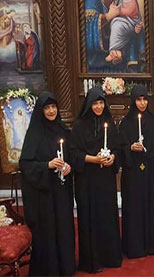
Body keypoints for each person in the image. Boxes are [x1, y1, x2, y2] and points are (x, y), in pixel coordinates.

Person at [19, 92, 75, 276]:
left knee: (64, 228)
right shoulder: (35, 133)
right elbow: (26, 165)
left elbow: (71, 156)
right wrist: (47, 165)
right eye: (47, 108)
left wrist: (68, 167)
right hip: (44, 195)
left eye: (53, 107)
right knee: (48, 232)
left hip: (61, 191)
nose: (51, 111)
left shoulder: (63, 131)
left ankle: (65, 268)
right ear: (41, 111)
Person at [70, 87, 121, 273]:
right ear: (89, 105)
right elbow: (73, 154)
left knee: (107, 216)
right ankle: (92, 260)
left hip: (105, 180)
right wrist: (94, 159)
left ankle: (110, 256)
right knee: (89, 218)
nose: (99, 106)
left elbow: (117, 148)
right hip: (87, 181)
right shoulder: (79, 126)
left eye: (101, 103)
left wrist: (113, 157)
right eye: (95, 103)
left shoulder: (109, 122)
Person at [119, 85, 154, 258]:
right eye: (139, 99)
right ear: (133, 101)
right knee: (134, 208)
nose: (142, 103)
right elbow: (120, 145)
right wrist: (130, 147)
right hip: (133, 173)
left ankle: (152, 245)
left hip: (150, 171)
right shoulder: (126, 123)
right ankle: (135, 246)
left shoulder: (153, 121)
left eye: (145, 99)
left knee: (150, 207)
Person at [84, 0, 143, 73]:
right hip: (96, 64)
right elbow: (85, 27)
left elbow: (130, 22)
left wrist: (137, 27)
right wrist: (107, 16)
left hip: (121, 62)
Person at [105, 0, 144, 64]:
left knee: (117, 25)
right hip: (124, 22)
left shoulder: (133, 1)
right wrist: (113, 8)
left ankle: (115, 51)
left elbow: (129, 11)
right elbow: (118, 9)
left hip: (132, 23)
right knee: (114, 23)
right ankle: (115, 53)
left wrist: (117, 10)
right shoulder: (121, 0)